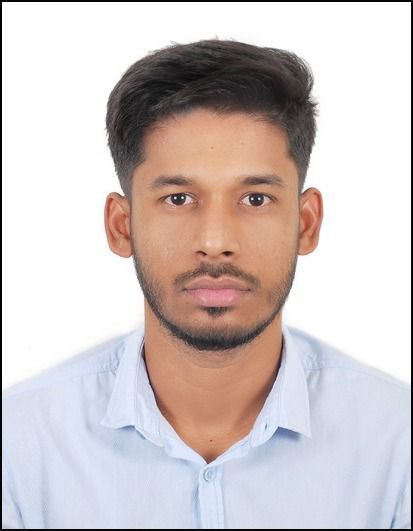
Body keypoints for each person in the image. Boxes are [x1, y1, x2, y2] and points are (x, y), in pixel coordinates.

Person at [3, 38, 410, 530]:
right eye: (178, 198)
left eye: (255, 199)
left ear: (306, 223)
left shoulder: (397, 443)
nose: (215, 243)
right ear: (121, 226)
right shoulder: (19, 448)